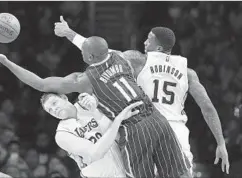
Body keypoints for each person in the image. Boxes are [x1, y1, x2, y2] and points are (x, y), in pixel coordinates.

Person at [0, 30, 191, 178]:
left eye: (84, 52)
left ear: (89, 56)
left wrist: (6, 62)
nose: (81, 53)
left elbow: (41, 83)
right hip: (158, 119)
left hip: (135, 128)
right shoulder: (120, 57)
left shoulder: (85, 81)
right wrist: (70, 33)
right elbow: (94, 47)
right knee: (179, 173)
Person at [53, 17, 229, 174]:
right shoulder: (188, 72)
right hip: (176, 129)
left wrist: (69, 33)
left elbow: (101, 54)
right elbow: (208, 108)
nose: (144, 42)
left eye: (149, 40)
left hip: (144, 126)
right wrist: (220, 143)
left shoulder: (138, 60)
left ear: (158, 47)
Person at [41, 92, 142, 177]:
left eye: (54, 103)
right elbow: (95, 153)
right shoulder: (61, 134)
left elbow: (116, 135)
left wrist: (95, 110)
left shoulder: (88, 103)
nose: (54, 109)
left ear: (64, 97)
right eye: (50, 110)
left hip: (127, 167)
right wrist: (118, 120)